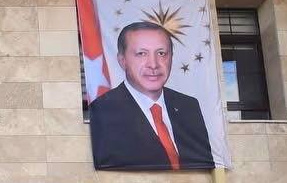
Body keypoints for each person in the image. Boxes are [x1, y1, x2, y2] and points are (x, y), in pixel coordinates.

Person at [88, 21, 215, 171]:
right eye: (141, 54)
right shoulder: (103, 110)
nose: (153, 64)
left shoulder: (188, 105)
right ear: (122, 61)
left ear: (171, 58)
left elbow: (204, 163)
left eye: (161, 53)